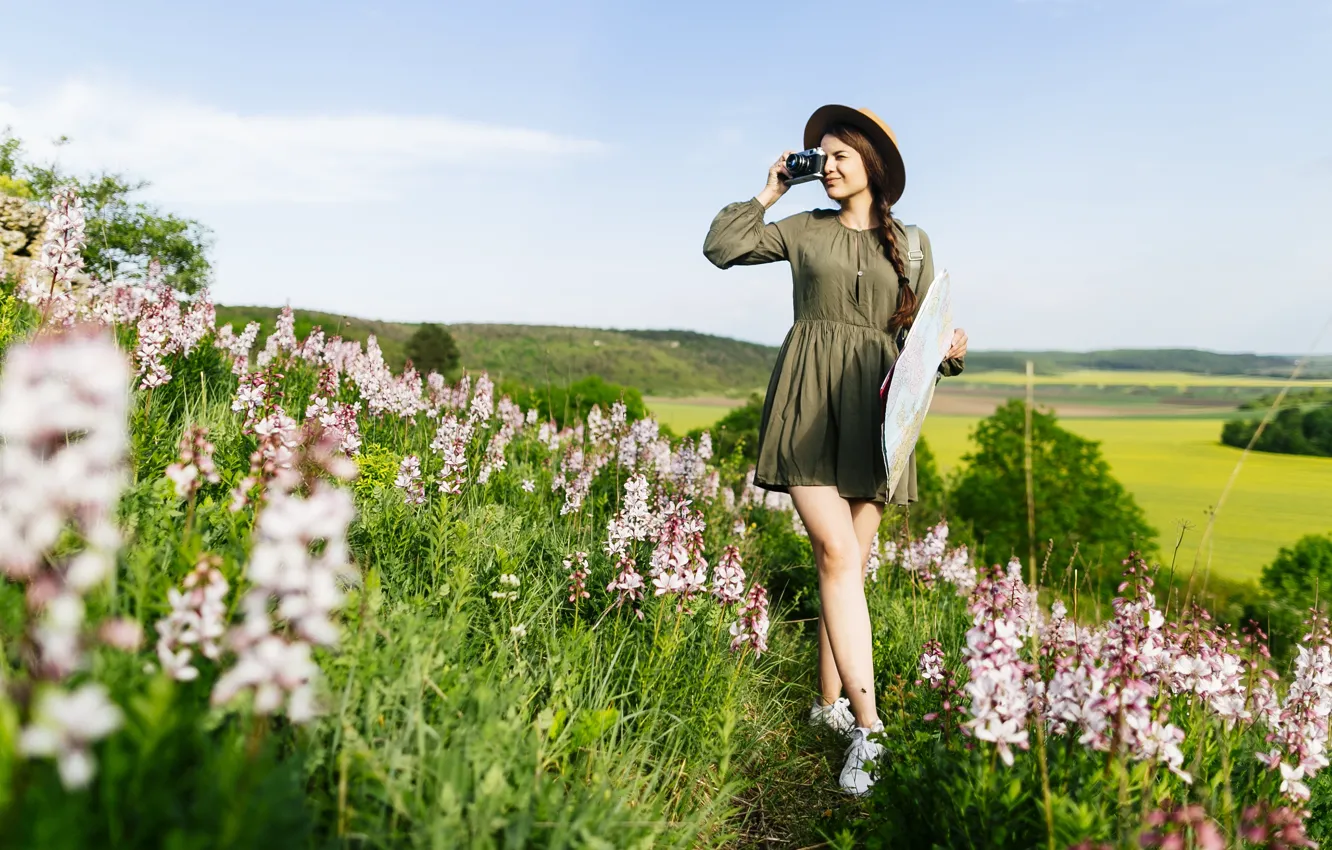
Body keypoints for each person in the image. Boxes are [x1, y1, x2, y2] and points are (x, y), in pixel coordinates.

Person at [702, 105, 967, 796]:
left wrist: (949, 351)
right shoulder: (801, 229)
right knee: (837, 555)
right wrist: (770, 190)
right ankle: (870, 730)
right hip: (810, 402)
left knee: (848, 562)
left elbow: (916, 337)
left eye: (840, 156)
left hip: (879, 413)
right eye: (820, 156)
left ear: (872, 165)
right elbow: (722, 247)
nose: (828, 167)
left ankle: (828, 705)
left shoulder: (911, 244)